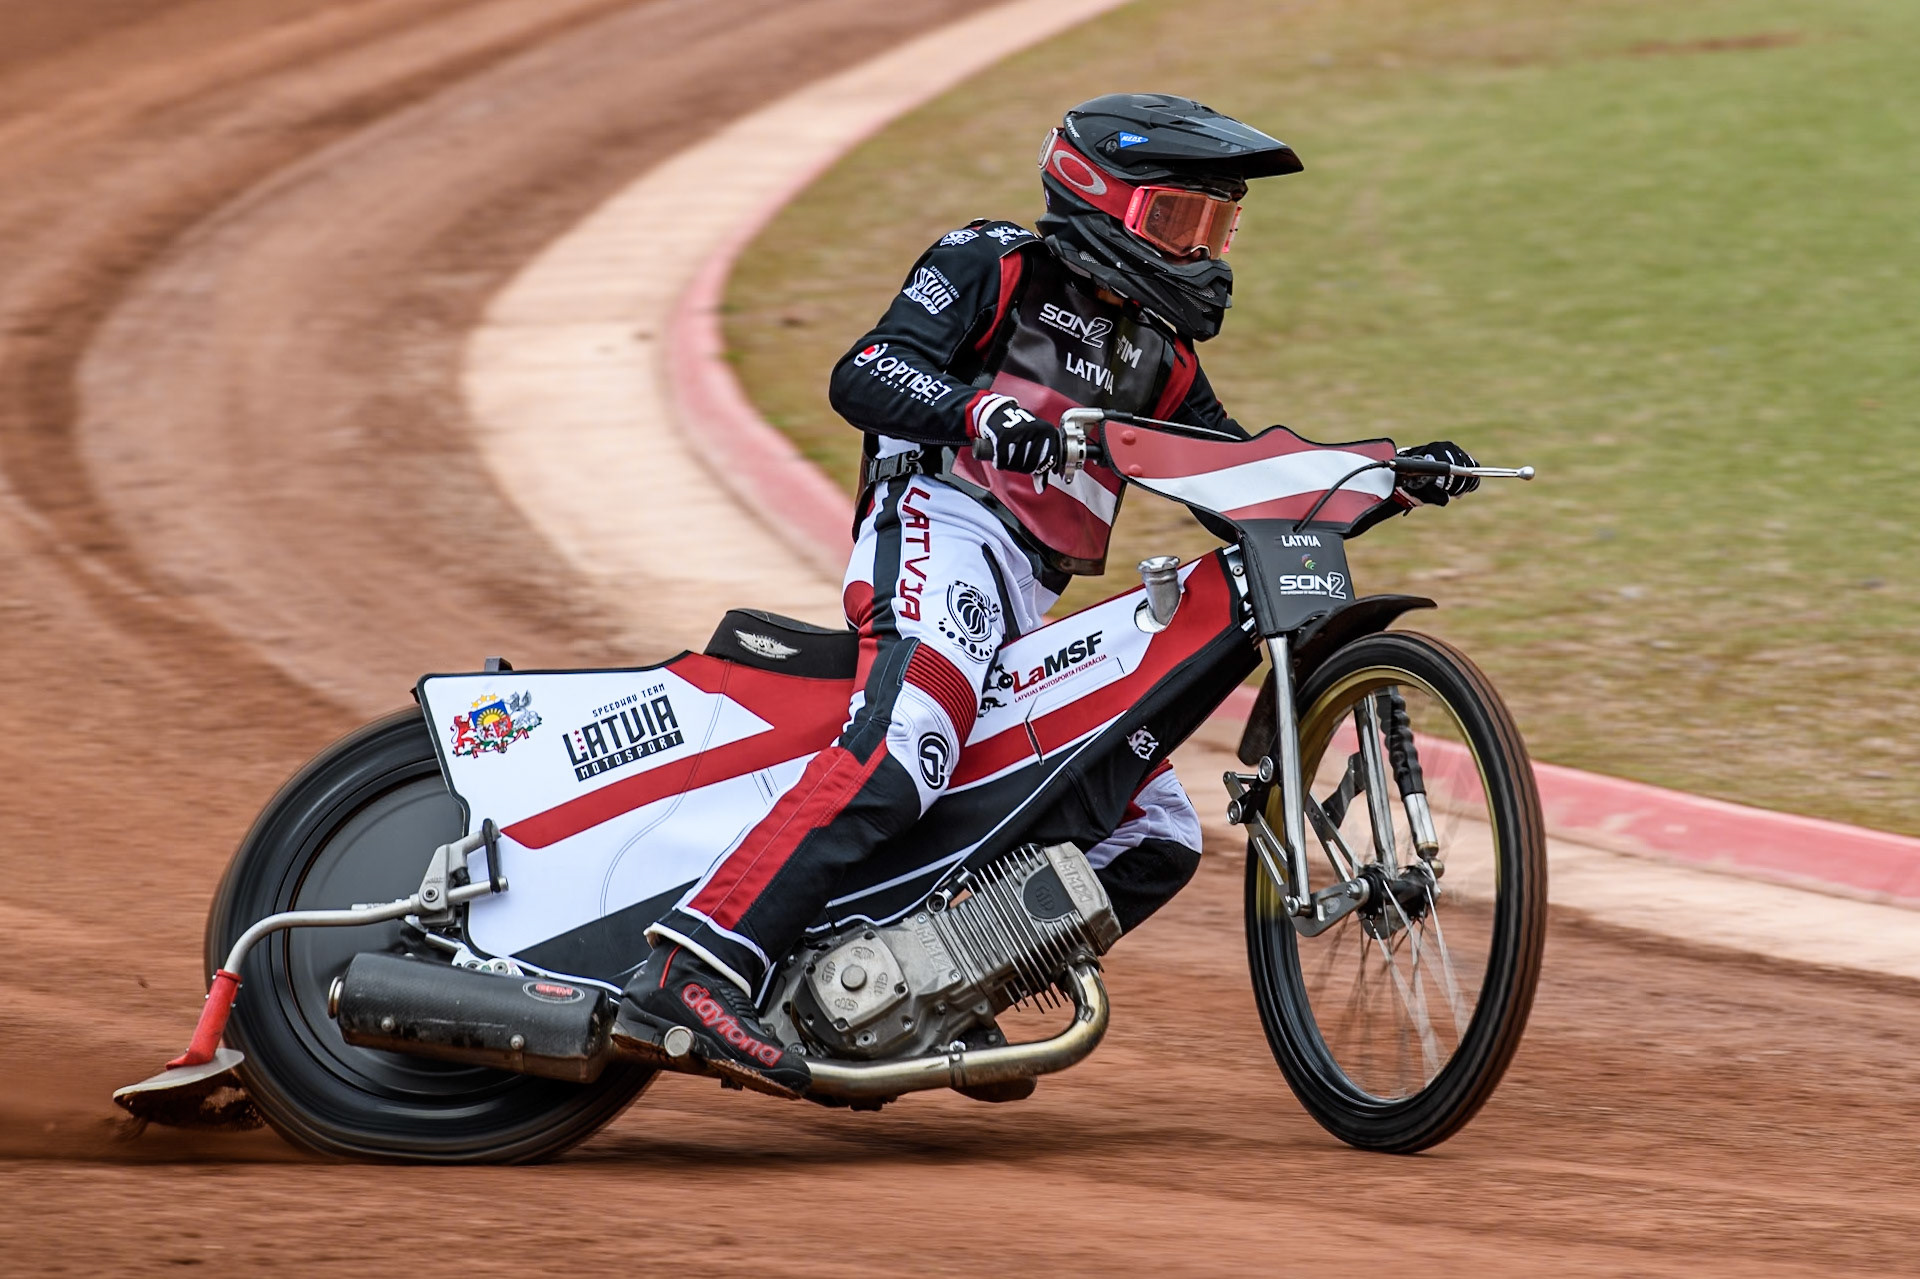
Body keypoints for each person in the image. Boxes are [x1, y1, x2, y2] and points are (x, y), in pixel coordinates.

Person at [615, 93, 1480, 1097]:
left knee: (1154, 837)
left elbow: (1239, 484)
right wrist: (977, 410)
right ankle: (691, 966)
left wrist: (1382, 481)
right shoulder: (994, 262)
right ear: (1092, 191)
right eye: (1176, 222)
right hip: (939, 527)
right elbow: (865, 370)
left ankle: (946, 983)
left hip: (1029, 591)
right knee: (906, 750)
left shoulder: (1162, 357)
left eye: (1216, 226)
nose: (1201, 251)